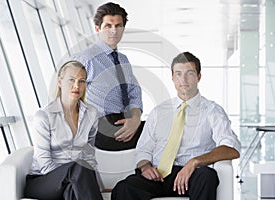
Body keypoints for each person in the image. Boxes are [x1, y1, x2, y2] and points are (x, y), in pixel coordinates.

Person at [111, 52, 241, 200]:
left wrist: (194, 162)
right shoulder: (159, 111)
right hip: (159, 176)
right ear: (172, 78)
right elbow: (143, 149)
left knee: (207, 176)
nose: (183, 79)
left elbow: (232, 149)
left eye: (189, 73)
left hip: (192, 176)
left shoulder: (213, 111)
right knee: (123, 188)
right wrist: (146, 167)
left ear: (199, 76)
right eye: (178, 74)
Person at [24, 61, 103, 200]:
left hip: (75, 179)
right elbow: (44, 165)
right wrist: (73, 180)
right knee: (78, 168)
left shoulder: (91, 113)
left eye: (82, 81)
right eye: (71, 80)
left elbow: (89, 155)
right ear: (60, 82)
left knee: (73, 191)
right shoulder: (44, 116)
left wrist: (94, 184)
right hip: (43, 180)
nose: (76, 85)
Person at [72, 2, 144, 151]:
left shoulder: (123, 60)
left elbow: (134, 93)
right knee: (162, 134)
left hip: (124, 120)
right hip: (101, 127)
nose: (114, 31)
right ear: (98, 29)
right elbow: (68, 98)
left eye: (118, 26)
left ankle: (145, 171)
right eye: (108, 26)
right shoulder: (85, 59)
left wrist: (135, 119)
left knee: (166, 129)